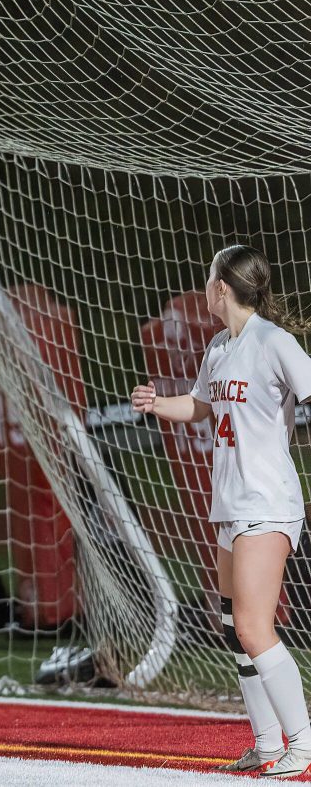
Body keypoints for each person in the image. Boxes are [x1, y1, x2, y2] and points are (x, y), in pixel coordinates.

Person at [132, 245, 311, 780]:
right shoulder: (219, 346)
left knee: (255, 627)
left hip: (267, 501)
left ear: (222, 288)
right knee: (236, 629)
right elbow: (201, 406)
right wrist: (158, 403)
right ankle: (267, 743)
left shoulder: (274, 342)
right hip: (230, 505)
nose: (205, 286)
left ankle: (302, 744)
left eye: (209, 278)